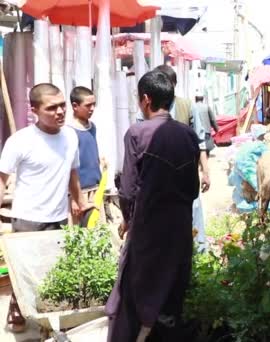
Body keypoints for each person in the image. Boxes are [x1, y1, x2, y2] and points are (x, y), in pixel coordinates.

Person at [105, 70, 200, 342]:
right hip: (180, 230)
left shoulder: (137, 133)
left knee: (134, 298)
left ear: (145, 99)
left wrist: (127, 220)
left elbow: (127, 190)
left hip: (148, 231)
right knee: (172, 296)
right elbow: (192, 189)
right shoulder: (188, 135)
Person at [0, 83, 91, 332]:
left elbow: (72, 171)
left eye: (62, 105)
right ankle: (16, 311)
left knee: (54, 270)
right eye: (52, 108)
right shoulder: (20, 141)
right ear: (34, 111)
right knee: (24, 272)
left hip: (58, 217)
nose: (60, 111)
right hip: (27, 218)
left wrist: (79, 200)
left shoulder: (71, 136)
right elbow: (2, 179)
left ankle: (48, 321)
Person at [152, 64, 209, 250]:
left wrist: (205, 171)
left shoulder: (186, 105)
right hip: (159, 175)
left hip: (186, 171)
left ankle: (198, 250)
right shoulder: (147, 109)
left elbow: (200, 142)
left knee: (193, 209)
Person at [69, 86, 104, 225]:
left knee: (95, 230)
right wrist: (73, 197)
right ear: (75, 106)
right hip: (79, 191)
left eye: (94, 104)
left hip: (95, 188)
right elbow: (69, 166)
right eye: (88, 105)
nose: (92, 108)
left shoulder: (92, 127)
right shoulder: (69, 131)